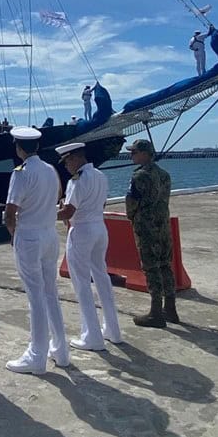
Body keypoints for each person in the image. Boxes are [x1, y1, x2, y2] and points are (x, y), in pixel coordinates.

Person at [4, 127, 69, 374]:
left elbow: (11, 212)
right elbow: (60, 195)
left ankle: (36, 355)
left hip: (29, 235)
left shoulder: (21, 173)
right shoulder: (51, 169)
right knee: (50, 293)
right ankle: (61, 351)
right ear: (38, 147)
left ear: (19, 148)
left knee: (35, 296)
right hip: (49, 235)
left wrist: (14, 235)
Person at [56, 142, 121, 351]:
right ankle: (113, 330)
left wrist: (43, 215)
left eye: (66, 162)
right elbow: (101, 204)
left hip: (82, 230)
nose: (66, 167)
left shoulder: (77, 180)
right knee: (101, 277)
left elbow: (68, 213)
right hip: (100, 228)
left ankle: (91, 336)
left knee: (81, 283)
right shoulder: (100, 176)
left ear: (75, 158)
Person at [125, 139, 179, 327]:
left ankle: (156, 312)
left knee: (151, 267)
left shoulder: (139, 176)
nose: (131, 155)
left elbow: (132, 201)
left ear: (145, 153)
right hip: (162, 225)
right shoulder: (164, 175)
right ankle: (170, 308)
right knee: (165, 264)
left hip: (146, 227)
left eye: (134, 152)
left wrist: (131, 217)